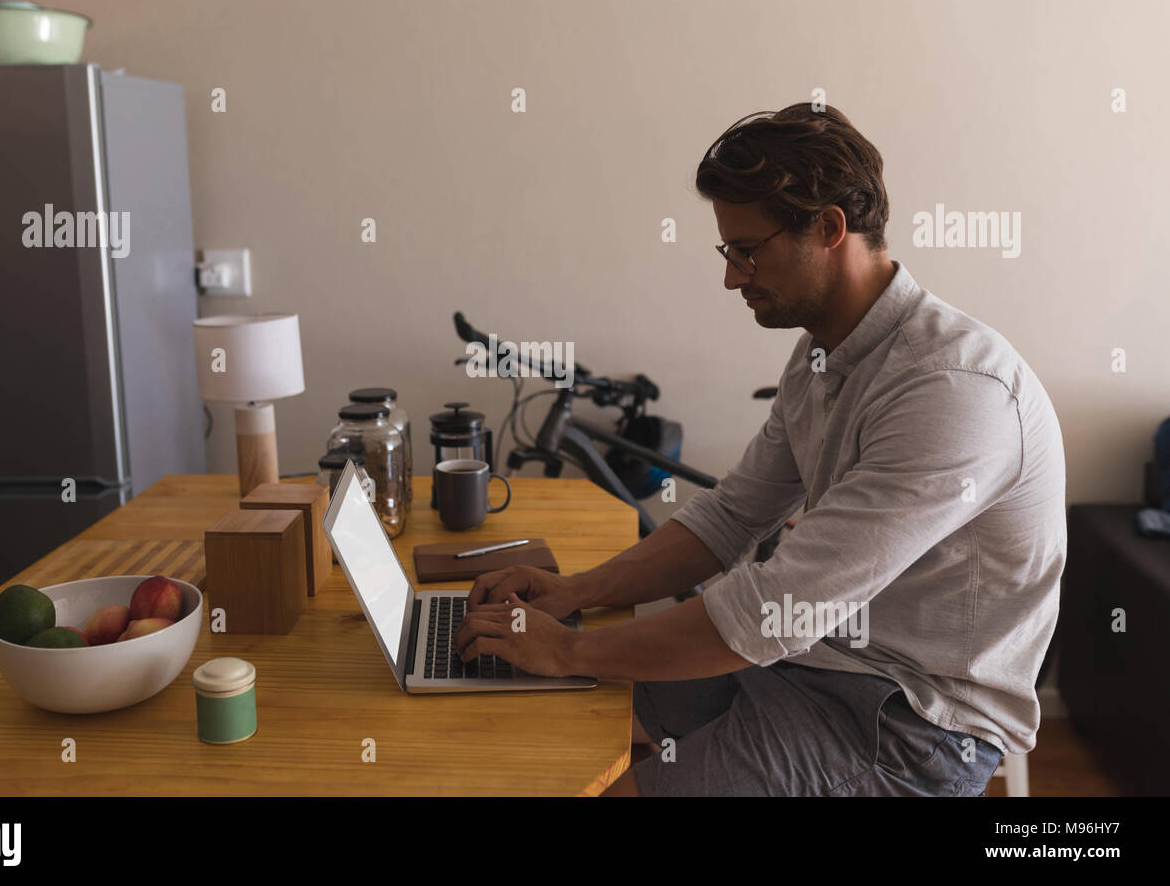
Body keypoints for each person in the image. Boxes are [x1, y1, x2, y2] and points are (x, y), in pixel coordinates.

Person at [454, 103, 1067, 796]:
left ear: (830, 228)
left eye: (747, 251)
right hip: (812, 662)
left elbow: (781, 607)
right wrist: (575, 592)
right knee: (567, 724)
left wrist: (567, 646)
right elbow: (730, 518)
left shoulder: (954, 393)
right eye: (727, 252)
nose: (732, 277)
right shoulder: (822, 354)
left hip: (912, 722)